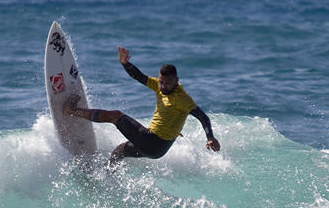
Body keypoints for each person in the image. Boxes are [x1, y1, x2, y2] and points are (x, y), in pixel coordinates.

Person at [65, 47, 220, 163]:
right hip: (157, 150)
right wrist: (126, 64)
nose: (163, 86)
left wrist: (210, 137)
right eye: (161, 82)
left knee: (115, 116)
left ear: (176, 81)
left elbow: (202, 116)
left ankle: (72, 110)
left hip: (155, 142)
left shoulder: (182, 99)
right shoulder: (158, 86)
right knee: (119, 151)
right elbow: (139, 76)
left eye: (168, 83)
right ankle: (106, 176)